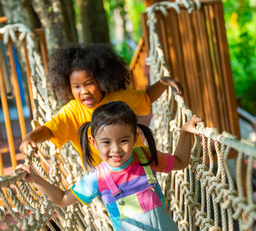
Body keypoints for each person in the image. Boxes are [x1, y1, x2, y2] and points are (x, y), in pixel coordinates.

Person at [17, 101, 202, 231]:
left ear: (135, 137)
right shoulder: (97, 177)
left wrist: (185, 132)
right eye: (106, 142)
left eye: (123, 140)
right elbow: (63, 199)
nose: (115, 150)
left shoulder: (145, 157)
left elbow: (179, 161)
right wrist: (36, 179)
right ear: (93, 143)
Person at [19, 43, 183, 171]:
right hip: (105, 179)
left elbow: (146, 98)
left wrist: (163, 83)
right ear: (67, 86)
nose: (84, 91)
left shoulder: (119, 98)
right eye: (76, 86)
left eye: (89, 83)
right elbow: (50, 130)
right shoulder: (72, 111)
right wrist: (31, 137)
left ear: (102, 79)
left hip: (137, 167)